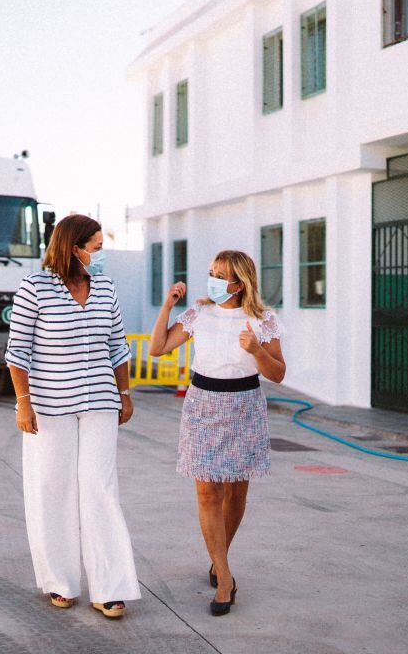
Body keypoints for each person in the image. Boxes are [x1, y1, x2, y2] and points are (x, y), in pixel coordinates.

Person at [5, 214, 140, 618]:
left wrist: (125, 393)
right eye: (95, 248)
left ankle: (109, 587)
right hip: (49, 407)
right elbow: (17, 352)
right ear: (72, 247)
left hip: (100, 401)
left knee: (100, 488)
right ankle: (60, 581)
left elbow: (117, 346)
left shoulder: (106, 289)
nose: (100, 256)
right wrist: (23, 402)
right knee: (53, 489)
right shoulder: (35, 288)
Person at [148, 249, 286, 616]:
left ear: (239, 283)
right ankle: (224, 577)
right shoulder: (199, 314)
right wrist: (167, 306)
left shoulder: (263, 320)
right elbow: (158, 348)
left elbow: (277, 374)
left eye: (220, 274)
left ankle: (217, 559)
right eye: (210, 271)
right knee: (208, 491)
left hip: (245, 406)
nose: (212, 278)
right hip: (203, 404)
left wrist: (257, 349)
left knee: (236, 491)